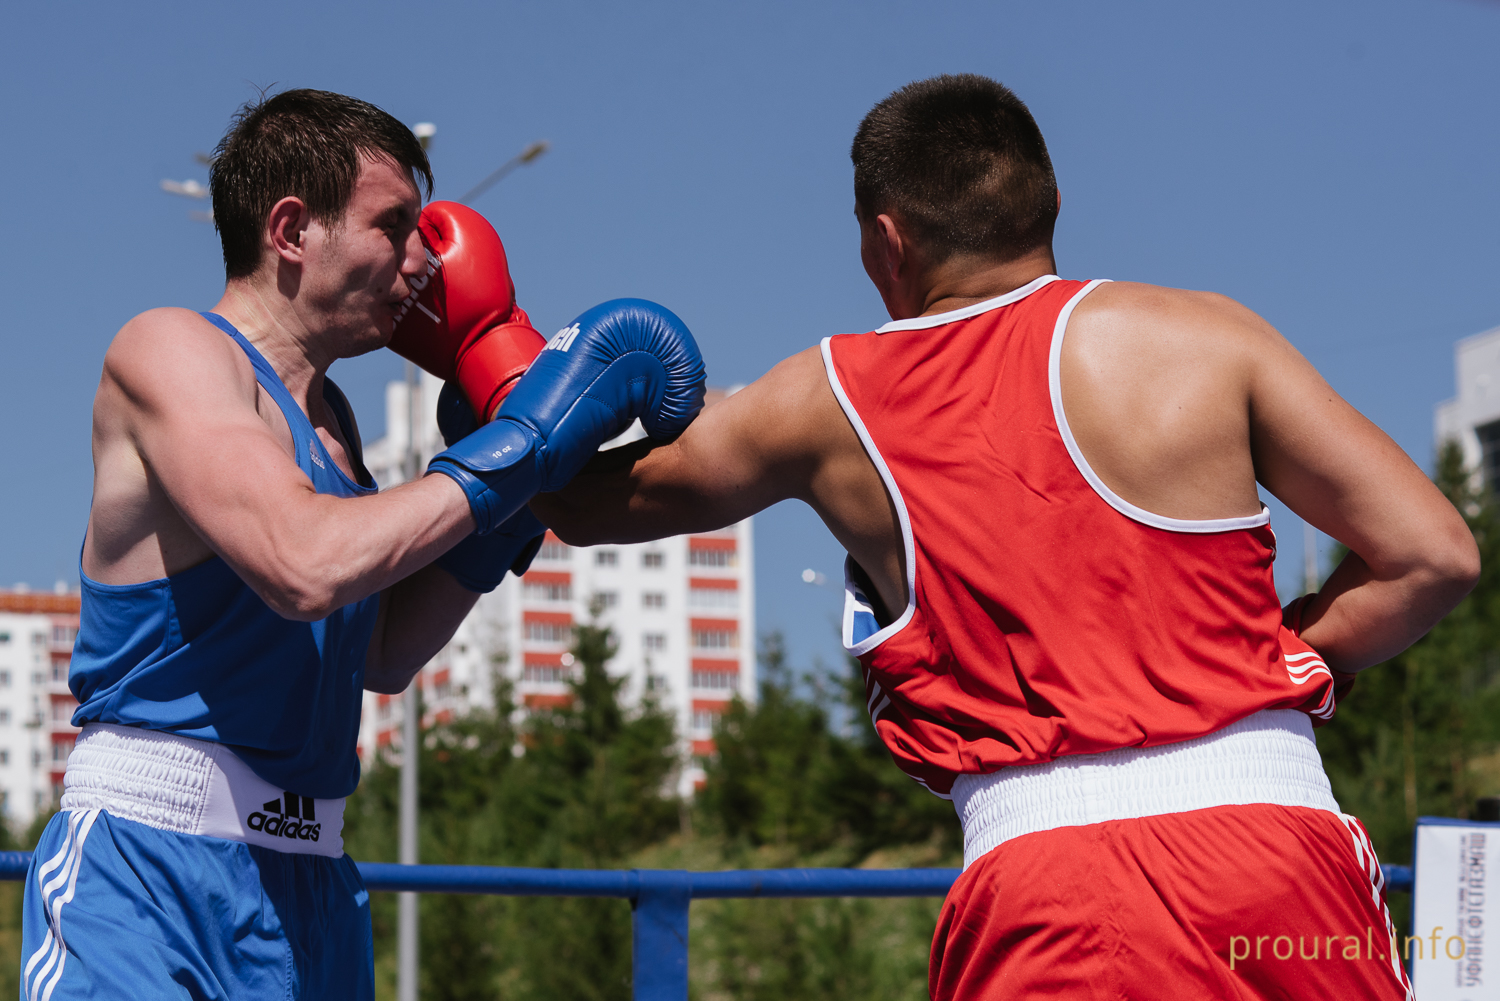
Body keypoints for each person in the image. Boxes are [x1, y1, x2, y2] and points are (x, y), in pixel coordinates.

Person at [533, 74, 1477, 999]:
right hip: (1278, 856)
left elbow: (571, 499)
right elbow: (1433, 555)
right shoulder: (1207, 339)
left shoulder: (822, 401)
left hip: (1046, 885)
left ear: (884, 240)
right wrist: (1280, 657)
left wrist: (488, 347)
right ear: (1053, 204)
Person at [22, 88, 705, 1001]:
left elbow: (380, 651)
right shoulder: (174, 352)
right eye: (397, 226)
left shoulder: (333, 423)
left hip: (311, 881)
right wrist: (523, 446)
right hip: (150, 868)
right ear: (293, 230)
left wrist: (520, 499)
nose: (426, 259)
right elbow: (302, 564)